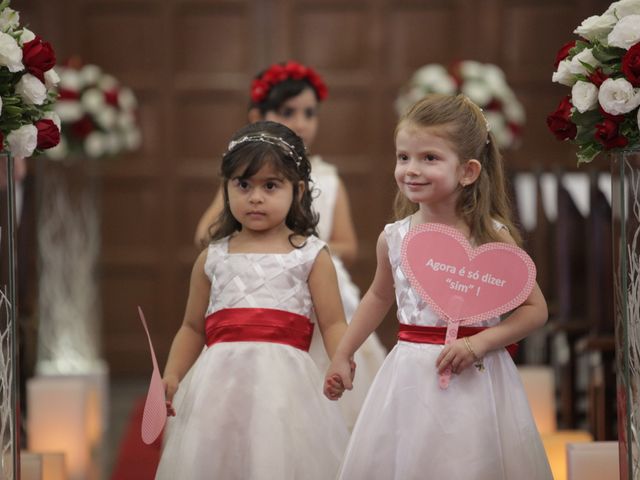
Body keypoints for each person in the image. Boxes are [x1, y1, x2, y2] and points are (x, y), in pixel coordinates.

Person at [324, 94, 553, 479]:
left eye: (429, 158)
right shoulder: (395, 238)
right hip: (412, 377)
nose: (411, 169)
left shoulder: (491, 237)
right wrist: (343, 353)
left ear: (468, 171)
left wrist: (479, 342)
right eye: (403, 157)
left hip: (477, 376)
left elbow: (535, 310)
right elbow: (379, 296)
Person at [193, 60, 386, 428]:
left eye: (309, 113)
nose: (300, 122)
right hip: (256, 297)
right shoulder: (245, 181)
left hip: (315, 278)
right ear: (257, 115)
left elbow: (348, 243)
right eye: (288, 112)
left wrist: (305, 250)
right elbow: (206, 233)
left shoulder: (328, 178)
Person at [156, 121, 350, 479]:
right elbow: (192, 327)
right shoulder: (213, 257)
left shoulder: (310, 255)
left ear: (299, 189)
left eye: (271, 185)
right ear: (226, 188)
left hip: (286, 393)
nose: (255, 196)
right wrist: (171, 374)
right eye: (243, 184)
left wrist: (341, 361)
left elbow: (335, 323)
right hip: (218, 391)